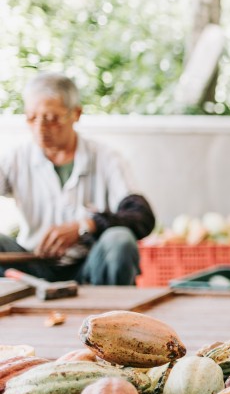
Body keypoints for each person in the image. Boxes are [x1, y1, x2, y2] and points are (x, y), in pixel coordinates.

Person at [0, 72, 155, 286]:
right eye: (31, 118)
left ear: (76, 113)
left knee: (120, 240)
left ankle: (111, 316)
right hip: (32, 263)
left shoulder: (106, 158)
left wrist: (87, 225)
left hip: (90, 266)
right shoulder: (15, 158)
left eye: (51, 119)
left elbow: (141, 215)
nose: (40, 128)